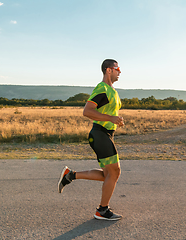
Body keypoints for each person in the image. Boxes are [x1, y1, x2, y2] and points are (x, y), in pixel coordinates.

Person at [58, 59, 124, 221]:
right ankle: (102, 210)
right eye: (117, 68)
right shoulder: (102, 88)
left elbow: (107, 112)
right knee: (114, 173)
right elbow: (87, 111)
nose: (120, 72)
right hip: (100, 134)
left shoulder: (111, 90)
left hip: (105, 134)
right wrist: (111, 118)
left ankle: (71, 175)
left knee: (107, 175)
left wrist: (115, 120)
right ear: (109, 70)